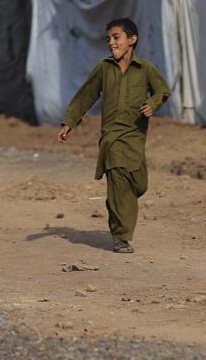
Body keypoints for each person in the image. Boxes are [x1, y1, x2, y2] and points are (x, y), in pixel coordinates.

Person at [57, 17, 171, 253]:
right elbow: (86, 95)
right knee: (118, 182)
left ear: (132, 39)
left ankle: (123, 210)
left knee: (137, 184)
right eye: (108, 38)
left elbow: (162, 90)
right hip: (111, 137)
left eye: (116, 37)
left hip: (135, 137)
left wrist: (153, 103)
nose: (111, 42)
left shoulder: (145, 69)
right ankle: (121, 236)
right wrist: (69, 122)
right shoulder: (104, 68)